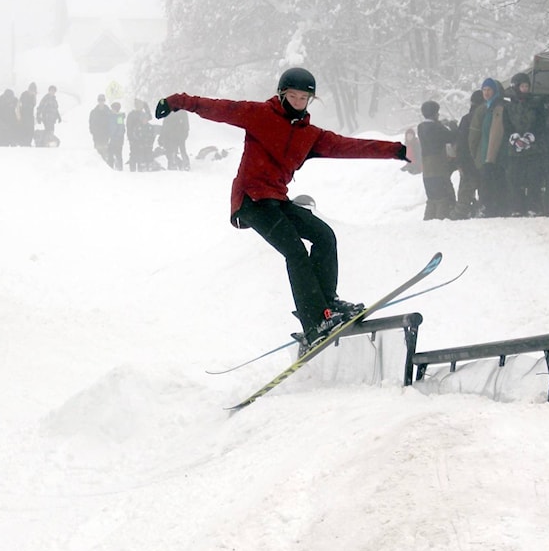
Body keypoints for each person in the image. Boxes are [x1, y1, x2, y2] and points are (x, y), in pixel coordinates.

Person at [154, 67, 408, 355]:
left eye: (304, 97)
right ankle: (315, 322)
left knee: (325, 236)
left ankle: (327, 303)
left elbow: (350, 146)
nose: (298, 101)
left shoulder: (310, 136)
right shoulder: (259, 115)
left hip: (277, 199)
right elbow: (217, 107)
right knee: (295, 251)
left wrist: (398, 150)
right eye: (293, 96)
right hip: (251, 200)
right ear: (282, 94)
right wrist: (175, 101)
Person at [504, 72, 548, 216]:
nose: (524, 89)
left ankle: (533, 206)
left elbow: (541, 123)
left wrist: (530, 137)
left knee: (533, 178)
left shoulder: (537, 104)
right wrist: (515, 138)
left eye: (526, 86)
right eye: (522, 86)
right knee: (514, 179)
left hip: (534, 148)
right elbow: (506, 125)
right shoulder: (509, 106)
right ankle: (517, 207)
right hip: (514, 149)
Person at [474, 78, 509, 217]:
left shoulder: (497, 108)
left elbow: (496, 133)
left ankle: (493, 209)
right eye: (484, 90)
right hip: (489, 153)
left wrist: (489, 157)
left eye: (489, 90)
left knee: (493, 182)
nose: (486, 93)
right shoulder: (488, 107)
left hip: (495, 155)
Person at [417, 101, 455, 220]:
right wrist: (452, 125)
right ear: (434, 113)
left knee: (432, 198)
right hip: (438, 166)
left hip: (427, 167)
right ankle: (441, 220)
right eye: (437, 113)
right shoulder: (437, 127)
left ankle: (428, 220)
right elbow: (451, 136)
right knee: (442, 197)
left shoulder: (421, 127)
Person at [449, 90, 484, 220]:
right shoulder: (487, 116)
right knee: (484, 189)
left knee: (465, 191)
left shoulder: (467, 118)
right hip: (483, 159)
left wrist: (460, 162)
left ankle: (460, 213)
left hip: (468, 160)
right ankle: (481, 209)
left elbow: (461, 142)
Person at [126, 98, 155, 172]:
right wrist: (130, 138)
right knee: (133, 154)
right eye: (138, 105)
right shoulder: (131, 114)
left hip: (142, 137)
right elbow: (128, 127)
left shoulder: (143, 113)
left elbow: (149, 117)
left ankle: (140, 169)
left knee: (141, 154)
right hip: (133, 137)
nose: (139, 106)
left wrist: (146, 107)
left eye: (141, 105)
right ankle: (132, 170)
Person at [88, 94, 112, 161]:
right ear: (98, 101)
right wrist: (93, 131)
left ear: (104, 101)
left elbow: (111, 123)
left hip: (105, 135)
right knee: (97, 153)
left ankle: (106, 168)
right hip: (97, 135)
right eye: (100, 100)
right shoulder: (93, 112)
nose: (101, 101)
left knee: (105, 152)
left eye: (102, 100)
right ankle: (98, 169)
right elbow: (91, 123)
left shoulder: (108, 112)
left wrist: (109, 133)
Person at [107, 101, 125, 170]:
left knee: (118, 153)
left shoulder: (119, 117)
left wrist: (116, 136)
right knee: (110, 153)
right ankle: (110, 167)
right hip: (112, 138)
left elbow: (121, 128)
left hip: (118, 139)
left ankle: (119, 167)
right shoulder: (111, 116)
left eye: (113, 108)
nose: (112, 110)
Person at [18, 83, 37, 147]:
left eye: (34, 91)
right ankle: (23, 143)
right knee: (24, 131)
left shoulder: (33, 96)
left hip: (30, 116)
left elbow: (34, 104)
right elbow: (20, 106)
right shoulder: (24, 95)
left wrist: (34, 97)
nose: (33, 92)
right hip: (23, 116)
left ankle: (28, 143)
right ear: (29, 89)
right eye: (32, 90)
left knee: (31, 131)